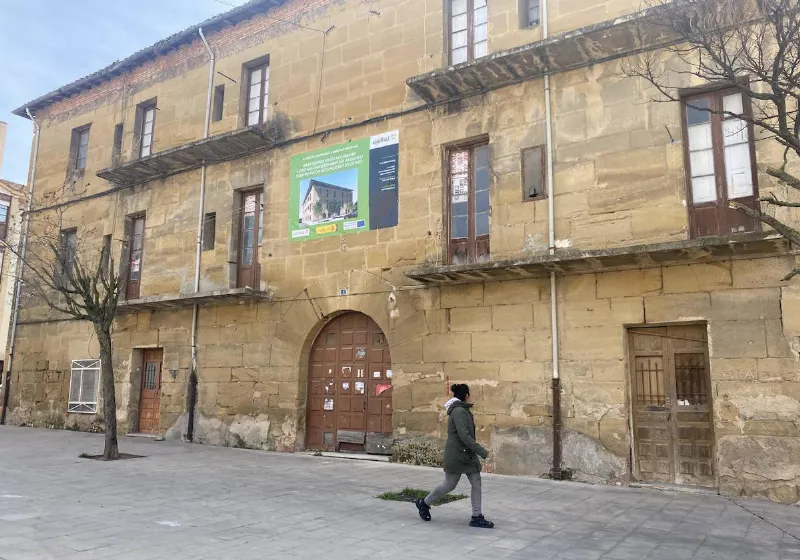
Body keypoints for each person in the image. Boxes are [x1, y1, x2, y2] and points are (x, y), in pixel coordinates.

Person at [415, 383, 494, 528]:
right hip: (457, 455)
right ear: (466, 395)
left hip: (467, 455)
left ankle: (477, 516)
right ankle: (424, 503)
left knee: (476, 482)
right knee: (449, 484)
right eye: (471, 393)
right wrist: (482, 452)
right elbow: (464, 436)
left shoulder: (463, 410)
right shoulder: (458, 411)